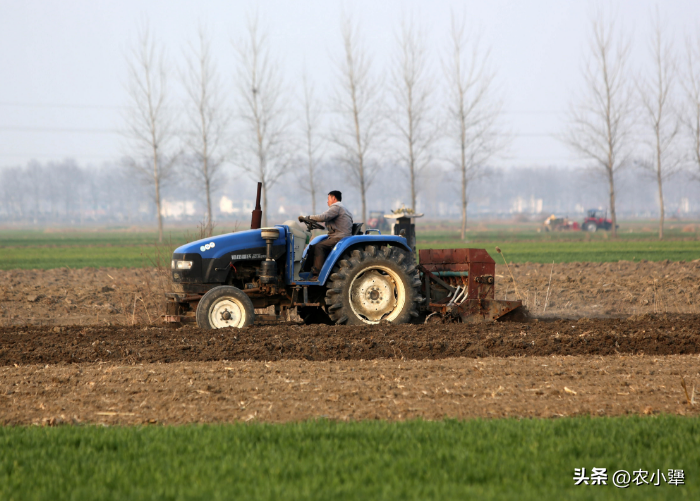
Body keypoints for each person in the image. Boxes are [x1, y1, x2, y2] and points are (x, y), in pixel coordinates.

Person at [299, 190, 353, 280]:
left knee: (319, 247)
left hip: (340, 237)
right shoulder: (342, 208)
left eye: (328, 199)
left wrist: (307, 217)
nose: (327, 201)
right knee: (313, 246)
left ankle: (317, 274)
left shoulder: (337, 207)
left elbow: (323, 217)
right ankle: (306, 271)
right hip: (338, 236)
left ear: (333, 198)